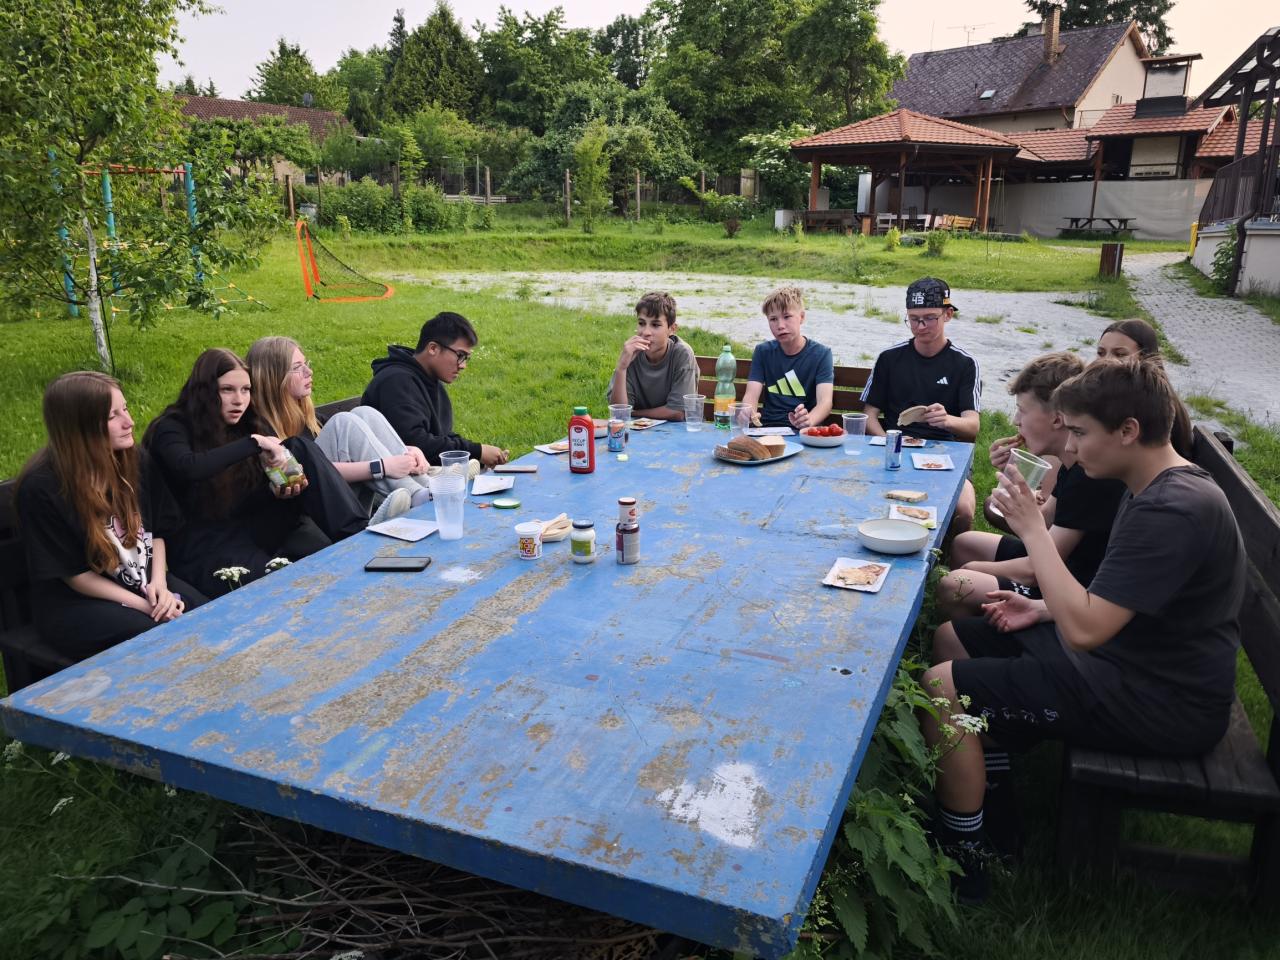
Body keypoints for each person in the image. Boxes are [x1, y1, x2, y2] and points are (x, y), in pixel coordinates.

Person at [920, 358, 1245, 901]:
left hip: (1161, 701)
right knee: (955, 641)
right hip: (1130, 661)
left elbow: (1087, 632)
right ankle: (995, 807)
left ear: (1128, 430)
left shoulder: (1172, 510)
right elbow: (1118, 605)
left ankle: (965, 857)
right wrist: (1041, 611)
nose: (1069, 447)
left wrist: (1032, 530)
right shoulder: (1153, 485)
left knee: (940, 688)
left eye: (1080, 433)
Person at [15, 371, 206, 665]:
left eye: (125, 409)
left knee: (209, 615)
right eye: (112, 416)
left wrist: (160, 585)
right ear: (78, 427)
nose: (129, 422)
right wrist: (147, 606)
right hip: (78, 603)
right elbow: (75, 575)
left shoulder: (135, 460)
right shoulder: (43, 488)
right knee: (159, 637)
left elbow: (157, 531)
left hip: (143, 582)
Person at [145, 348, 367, 598]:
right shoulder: (172, 428)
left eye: (245, 390)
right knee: (283, 589)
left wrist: (277, 486)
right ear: (203, 391)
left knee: (297, 448)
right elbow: (190, 467)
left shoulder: (247, 421)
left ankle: (360, 534)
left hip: (249, 524)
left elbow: (255, 486)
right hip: (204, 546)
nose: (239, 400)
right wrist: (253, 443)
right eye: (227, 390)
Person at [936, 352, 1127, 623]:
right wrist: (1017, 486)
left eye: (1022, 410)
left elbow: (1035, 570)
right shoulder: (1069, 463)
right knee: (965, 543)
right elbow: (1044, 523)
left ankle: (975, 631)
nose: (1015, 420)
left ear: (1057, 419)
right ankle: (973, 621)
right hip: (1054, 561)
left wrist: (974, 569)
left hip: (1068, 584)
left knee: (958, 581)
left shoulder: (1088, 475)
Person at [246, 336, 428, 517]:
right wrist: (380, 467)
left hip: (341, 499)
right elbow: (306, 472)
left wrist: (407, 451)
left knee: (364, 413)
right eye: (297, 367)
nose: (308, 371)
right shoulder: (261, 430)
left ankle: (427, 487)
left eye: (306, 364)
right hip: (308, 514)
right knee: (343, 422)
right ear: (273, 377)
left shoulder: (308, 417)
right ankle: (418, 496)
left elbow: (359, 443)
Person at [862, 277, 980, 531]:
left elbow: (973, 426)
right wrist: (888, 443)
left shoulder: (964, 364)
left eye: (929, 318)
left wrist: (947, 420)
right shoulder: (889, 358)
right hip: (895, 448)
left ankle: (950, 552)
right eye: (913, 319)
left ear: (948, 315)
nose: (920, 326)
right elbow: (869, 414)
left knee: (963, 510)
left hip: (945, 453)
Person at [362, 312, 508, 468]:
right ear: (433, 348)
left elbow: (440, 435)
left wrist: (478, 455)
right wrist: (475, 452)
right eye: (460, 355)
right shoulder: (396, 381)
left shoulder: (429, 379)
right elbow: (414, 444)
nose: (463, 365)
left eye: (466, 358)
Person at [1094, 318, 1193, 457]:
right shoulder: (1125, 392)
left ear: (1144, 357)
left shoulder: (1147, 401)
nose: (1106, 361)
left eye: (1120, 354)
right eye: (1101, 353)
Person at [741, 286, 834, 428]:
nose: (780, 326)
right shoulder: (763, 351)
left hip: (803, 430)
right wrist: (748, 412)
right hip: (767, 427)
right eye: (773, 319)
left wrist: (809, 420)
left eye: (787, 317)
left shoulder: (821, 354)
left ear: (801, 317)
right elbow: (751, 395)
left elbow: (825, 403)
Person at [606, 292, 698, 421]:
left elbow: (677, 412)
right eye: (641, 323)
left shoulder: (682, 354)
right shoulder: (632, 353)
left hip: (678, 430)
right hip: (638, 431)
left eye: (655, 325)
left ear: (672, 329)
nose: (646, 332)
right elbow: (619, 414)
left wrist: (634, 413)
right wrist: (621, 368)